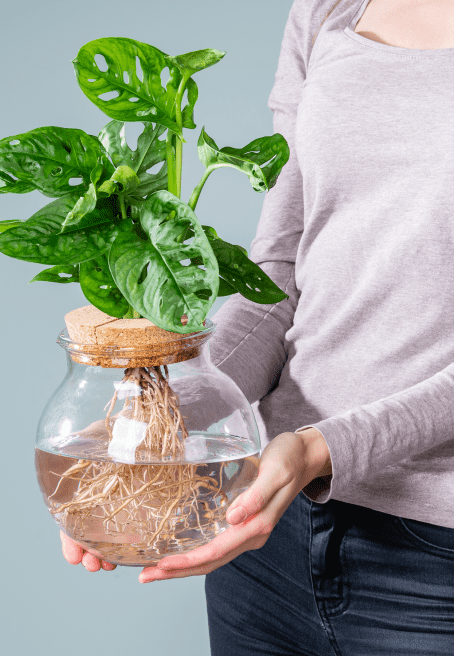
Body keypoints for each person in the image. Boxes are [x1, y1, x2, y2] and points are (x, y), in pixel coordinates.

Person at [61, 0, 454, 653]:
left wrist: (317, 450)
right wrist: (164, 416)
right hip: (267, 534)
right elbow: (277, 271)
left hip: (432, 569)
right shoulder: (329, 9)